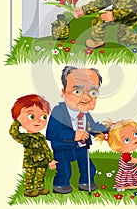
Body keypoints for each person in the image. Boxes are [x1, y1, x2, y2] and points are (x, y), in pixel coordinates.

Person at [46, 66, 110, 194]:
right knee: (64, 169)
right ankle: (61, 185)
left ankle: (86, 183)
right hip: (63, 146)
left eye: (93, 93)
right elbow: (52, 132)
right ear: (63, 93)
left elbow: (92, 127)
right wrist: (73, 135)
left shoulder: (85, 114)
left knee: (89, 168)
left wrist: (109, 128)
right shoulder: (59, 111)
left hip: (81, 146)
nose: (86, 98)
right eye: (77, 91)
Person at [9, 94, 58, 197]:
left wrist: (50, 160)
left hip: (42, 162)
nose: (38, 121)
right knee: (30, 176)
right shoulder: (26, 138)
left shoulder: (40, 137)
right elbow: (14, 133)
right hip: (31, 162)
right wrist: (16, 123)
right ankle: (29, 189)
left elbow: (46, 149)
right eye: (31, 116)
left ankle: (40, 187)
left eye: (43, 116)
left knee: (41, 175)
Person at [95, 119, 137, 191]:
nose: (134, 139)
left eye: (135, 134)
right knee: (132, 181)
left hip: (131, 170)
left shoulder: (127, 154)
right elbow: (132, 160)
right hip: (128, 172)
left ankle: (129, 186)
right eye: (127, 140)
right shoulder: (125, 155)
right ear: (118, 146)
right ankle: (127, 187)